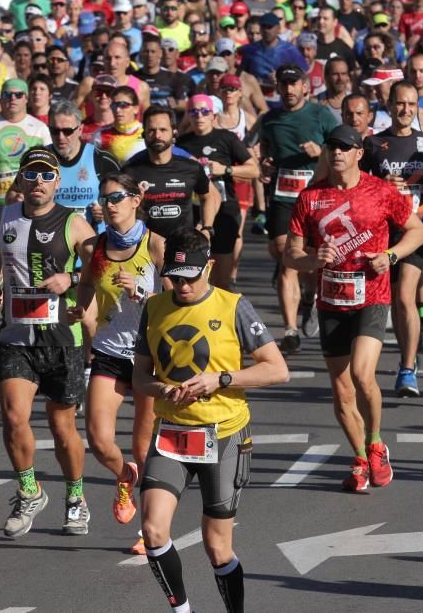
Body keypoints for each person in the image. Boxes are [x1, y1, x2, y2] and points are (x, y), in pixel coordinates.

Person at [134, 227, 288, 613]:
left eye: (191, 277)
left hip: (224, 434)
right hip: (170, 433)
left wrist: (220, 379)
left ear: (210, 267)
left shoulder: (233, 306)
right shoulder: (153, 308)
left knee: (217, 548)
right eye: (174, 276)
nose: (182, 286)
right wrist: (161, 389)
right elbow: (138, 377)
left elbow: (276, 369)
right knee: (153, 530)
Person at [285, 124, 423, 491]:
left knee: (363, 376)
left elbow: (418, 232)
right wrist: (314, 259)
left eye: (345, 147)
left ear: (359, 153)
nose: (338, 153)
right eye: (332, 147)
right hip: (331, 299)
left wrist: (390, 256)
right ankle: (361, 456)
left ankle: (377, 440)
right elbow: (292, 255)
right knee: (341, 388)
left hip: (372, 295)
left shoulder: (380, 191)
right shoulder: (310, 197)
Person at [0, 147, 97, 537]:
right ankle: (30, 491)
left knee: (62, 426)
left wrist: (72, 279)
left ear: (57, 181)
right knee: (14, 416)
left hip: (62, 337)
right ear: (20, 178)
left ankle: (76, 497)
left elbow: (100, 263)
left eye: (46, 175)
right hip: (16, 335)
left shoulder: (74, 222)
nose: (38, 182)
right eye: (31, 174)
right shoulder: (2, 217)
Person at [69, 173, 164, 552]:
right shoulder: (95, 247)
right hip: (109, 350)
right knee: (98, 439)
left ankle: (148, 530)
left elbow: (172, 304)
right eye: (105, 198)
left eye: (117, 197)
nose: (110, 205)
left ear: (135, 201)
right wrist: (80, 307)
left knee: (145, 448)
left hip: (149, 355)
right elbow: (89, 284)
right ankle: (125, 476)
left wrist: (141, 292)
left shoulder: (155, 244)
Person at [361, 82, 423, 397]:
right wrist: (379, 183)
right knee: (396, 299)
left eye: (411, 104)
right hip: (385, 231)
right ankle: (406, 356)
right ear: (390, 105)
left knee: (405, 297)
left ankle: (408, 368)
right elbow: (359, 183)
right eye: (400, 104)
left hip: (416, 230)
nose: (405, 110)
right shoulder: (374, 144)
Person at [260, 63, 339, 353]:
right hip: (282, 196)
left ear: (306, 86)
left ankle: (309, 296)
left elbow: (339, 147)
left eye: (295, 84)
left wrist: (322, 153)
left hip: (315, 197)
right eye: (284, 84)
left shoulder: (320, 114)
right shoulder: (270, 119)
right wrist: (266, 163)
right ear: (278, 86)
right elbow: (265, 148)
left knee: (305, 258)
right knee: (284, 256)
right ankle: (290, 329)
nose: (289, 89)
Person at [177, 94, 260, 289]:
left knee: (222, 279)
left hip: (224, 209)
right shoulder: (181, 144)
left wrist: (226, 169)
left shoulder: (227, 138)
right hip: (192, 212)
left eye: (204, 111)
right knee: (193, 274)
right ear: (188, 115)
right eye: (194, 111)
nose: (199, 116)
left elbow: (254, 170)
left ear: (213, 115)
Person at [123, 105, 221, 240]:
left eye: (163, 130)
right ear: (144, 134)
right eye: (151, 130)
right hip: (142, 248)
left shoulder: (191, 167)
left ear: (174, 133)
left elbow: (209, 196)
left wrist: (206, 228)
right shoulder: (129, 170)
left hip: (183, 246)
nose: (157, 135)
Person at [47, 100, 120, 230]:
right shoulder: (40, 158)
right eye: (54, 131)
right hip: (51, 241)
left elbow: (124, 203)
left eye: (67, 131)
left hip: (92, 243)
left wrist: (106, 211)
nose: (61, 137)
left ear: (80, 129)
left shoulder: (101, 159)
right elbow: (14, 195)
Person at [93, 85, 146, 164]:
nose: (117, 110)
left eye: (123, 105)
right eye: (114, 105)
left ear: (136, 109)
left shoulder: (146, 131)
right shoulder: (100, 134)